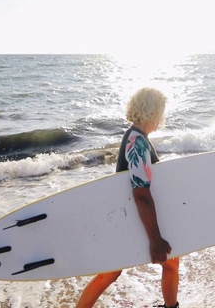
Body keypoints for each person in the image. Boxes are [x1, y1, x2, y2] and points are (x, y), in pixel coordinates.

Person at [76, 87, 179, 308]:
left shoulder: (136, 136)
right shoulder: (137, 142)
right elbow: (141, 193)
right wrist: (155, 239)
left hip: (131, 214)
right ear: (153, 112)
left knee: (170, 262)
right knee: (111, 271)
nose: (162, 117)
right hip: (132, 215)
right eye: (161, 111)